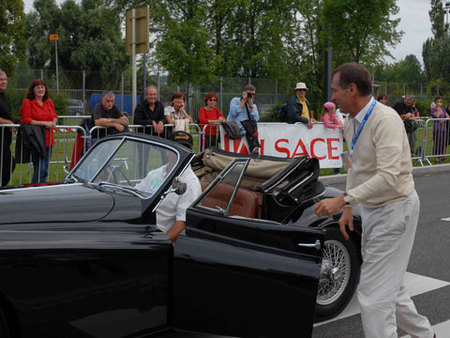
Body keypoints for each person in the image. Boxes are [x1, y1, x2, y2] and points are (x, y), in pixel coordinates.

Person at [314, 63, 434, 338]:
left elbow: (389, 176)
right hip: (372, 211)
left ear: (352, 89)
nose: (333, 97)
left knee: (373, 296)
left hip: (395, 209)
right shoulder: (350, 122)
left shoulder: (385, 120)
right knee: (391, 286)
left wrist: (344, 198)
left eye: (335, 90)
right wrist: (347, 207)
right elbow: (356, 167)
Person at [136, 131, 201, 242]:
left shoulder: (191, 183)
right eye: (177, 148)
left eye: (185, 149)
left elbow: (182, 224)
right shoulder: (155, 174)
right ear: (168, 150)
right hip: (138, 229)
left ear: (191, 152)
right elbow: (135, 195)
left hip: (157, 238)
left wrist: (160, 244)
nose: (181, 153)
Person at [19, 79, 58, 183]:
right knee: (40, 168)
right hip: (36, 140)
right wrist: (44, 123)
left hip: (49, 139)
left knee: (45, 169)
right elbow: (25, 119)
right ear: (33, 90)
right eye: (38, 87)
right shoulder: (27, 102)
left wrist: (53, 122)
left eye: (42, 87)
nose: (41, 89)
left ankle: (41, 189)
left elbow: (54, 115)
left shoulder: (49, 101)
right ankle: (34, 190)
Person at [0, 70, 15, 186]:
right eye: (1, 80)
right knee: (8, 163)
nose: (4, 82)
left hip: (5, 137)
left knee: (8, 163)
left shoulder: (3, 97)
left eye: (5, 79)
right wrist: (8, 122)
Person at [430, 96, 449, 163]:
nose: (439, 103)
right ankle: (436, 158)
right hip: (437, 128)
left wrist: (443, 120)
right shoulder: (433, 109)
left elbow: (447, 116)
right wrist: (438, 108)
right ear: (435, 103)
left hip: (443, 128)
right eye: (437, 101)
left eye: (440, 101)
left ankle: (440, 157)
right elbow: (437, 116)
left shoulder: (443, 109)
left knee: (442, 143)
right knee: (437, 143)